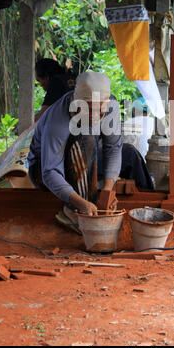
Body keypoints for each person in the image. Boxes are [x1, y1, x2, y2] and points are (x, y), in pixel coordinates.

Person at [27, 70, 123, 232]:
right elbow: (49, 172)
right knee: (87, 138)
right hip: (43, 171)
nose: (94, 115)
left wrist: (108, 189)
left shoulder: (110, 107)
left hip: (82, 165)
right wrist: (80, 203)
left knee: (129, 153)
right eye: (88, 110)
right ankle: (71, 211)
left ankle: (92, 199)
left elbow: (113, 148)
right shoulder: (57, 118)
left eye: (99, 110)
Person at [35, 58, 76, 122]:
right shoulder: (73, 78)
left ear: (46, 77)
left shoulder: (56, 83)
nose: (40, 85)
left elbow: (41, 117)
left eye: (39, 80)